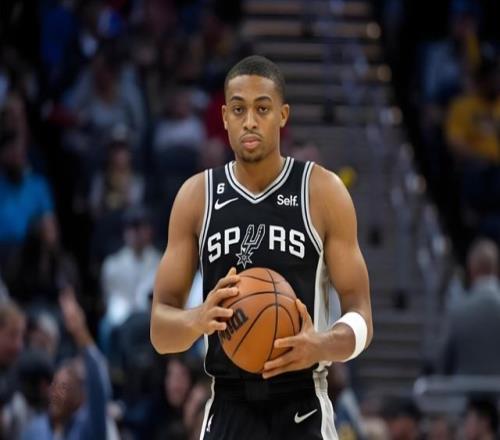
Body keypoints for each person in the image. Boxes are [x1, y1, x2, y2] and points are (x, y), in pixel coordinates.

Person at [150, 55, 373, 440]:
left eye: (262, 108)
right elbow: (159, 329)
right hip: (228, 404)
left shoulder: (322, 191)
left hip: (301, 402)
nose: (250, 121)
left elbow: (362, 315)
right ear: (224, 117)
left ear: (283, 115)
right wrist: (199, 319)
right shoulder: (196, 196)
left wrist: (321, 345)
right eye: (239, 109)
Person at [21, 286, 113, 440]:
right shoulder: (34, 430)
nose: (56, 393)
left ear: (80, 397)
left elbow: (97, 383)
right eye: (55, 385)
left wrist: (80, 331)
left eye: (64, 387)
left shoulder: (88, 427)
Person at [440, 238, 500, 375]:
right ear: (496, 268)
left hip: (464, 385)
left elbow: (444, 357)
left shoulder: (457, 309)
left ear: (471, 268)